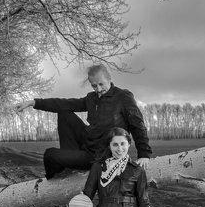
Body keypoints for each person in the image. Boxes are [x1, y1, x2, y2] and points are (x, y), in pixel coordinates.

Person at [15, 64, 154, 179]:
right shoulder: (91, 98)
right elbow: (64, 103)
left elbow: (137, 125)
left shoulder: (123, 97)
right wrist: (33, 102)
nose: (98, 89)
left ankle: (64, 170)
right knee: (64, 112)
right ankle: (68, 167)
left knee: (50, 154)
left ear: (109, 79)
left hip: (100, 155)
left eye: (101, 84)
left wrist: (144, 155)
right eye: (94, 86)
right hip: (88, 144)